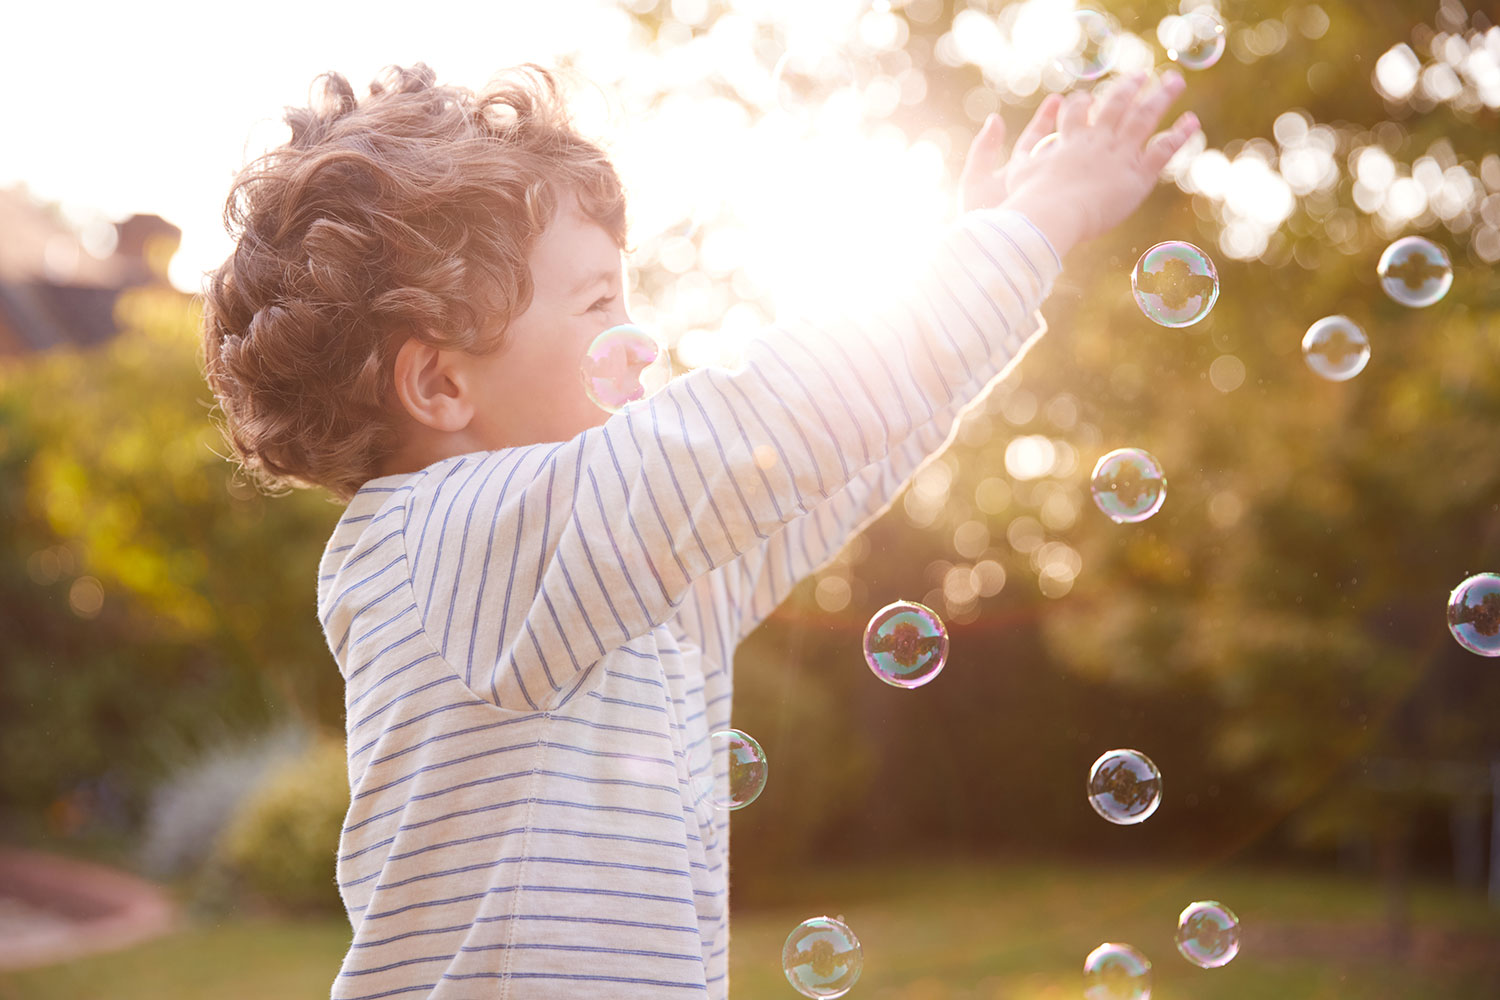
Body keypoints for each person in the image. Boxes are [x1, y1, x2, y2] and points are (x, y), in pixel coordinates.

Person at [199, 59, 1197, 999]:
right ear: (441, 381)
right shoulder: (440, 539)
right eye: (597, 303)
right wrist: (1035, 226)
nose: (642, 338)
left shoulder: (614, 571)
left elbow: (814, 469)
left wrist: (978, 272)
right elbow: (758, 422)